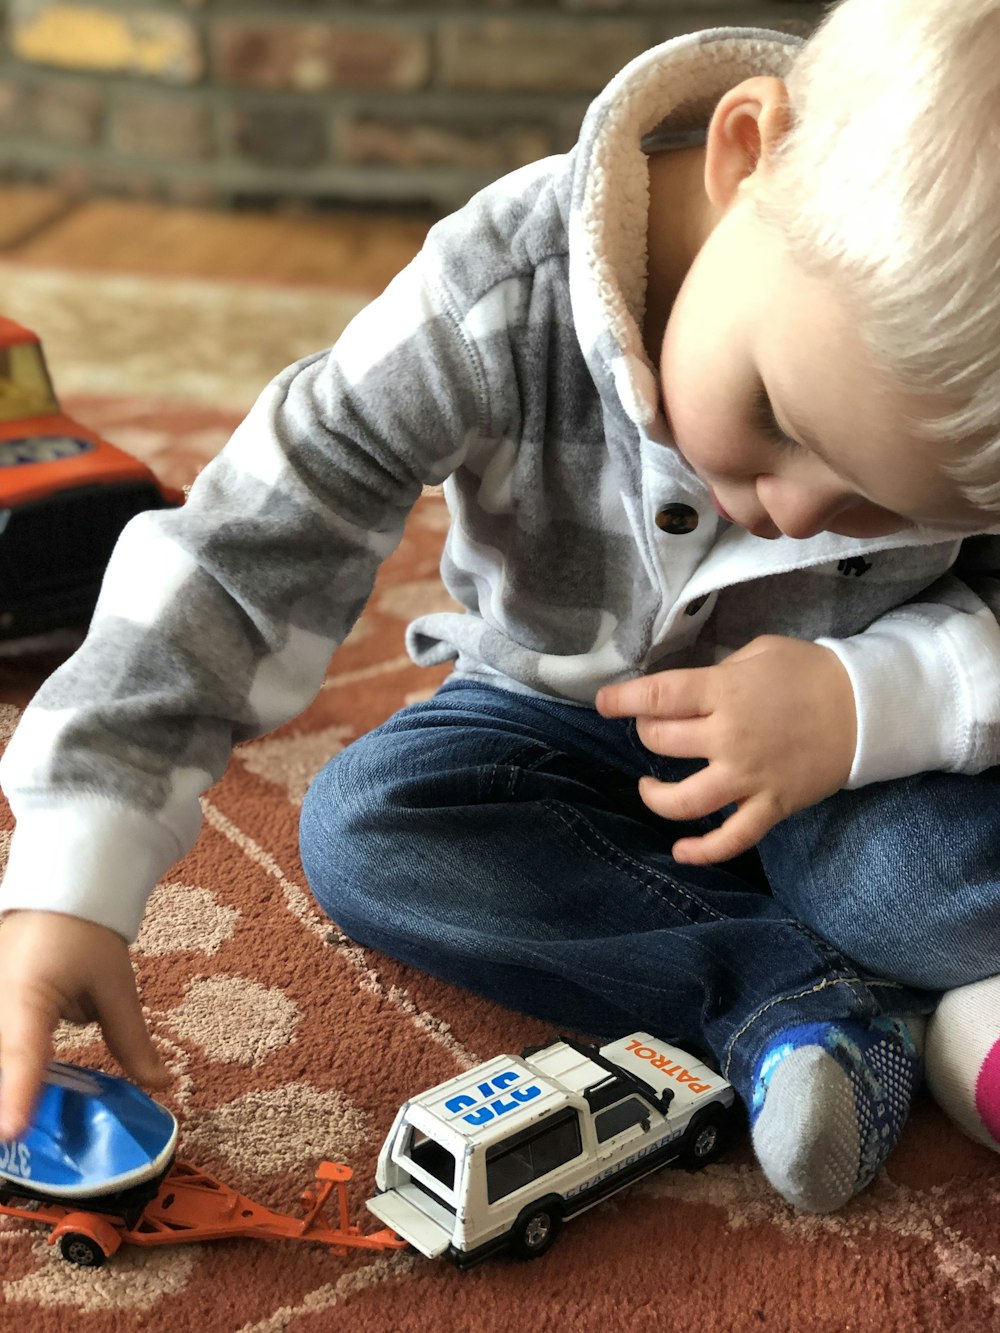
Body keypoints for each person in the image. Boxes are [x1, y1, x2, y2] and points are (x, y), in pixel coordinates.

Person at [1, 0, 999, 1214]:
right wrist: (74, 867)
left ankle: (908, 988)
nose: (791, 510)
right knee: (370, 831)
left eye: (886, 509)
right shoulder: (495, 290)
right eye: (781, 419)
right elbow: (247, 542)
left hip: (857, 767)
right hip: (546, 724)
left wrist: (873, 704)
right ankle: (803, 1004)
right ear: (745, 160)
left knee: (906, 884)